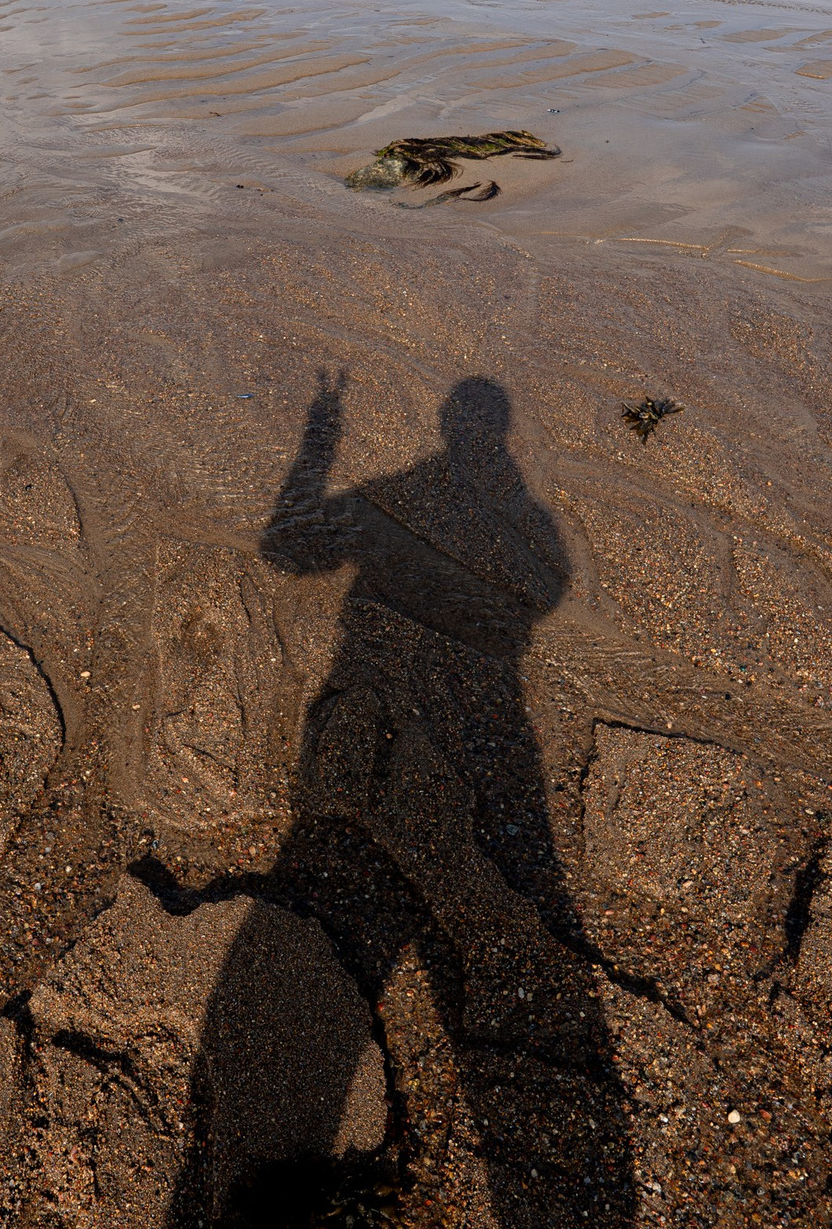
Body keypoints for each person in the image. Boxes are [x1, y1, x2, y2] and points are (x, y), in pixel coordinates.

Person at [172, 373, 635, 1227]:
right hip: (483, 712)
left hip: (393, 697)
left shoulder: (396, 495)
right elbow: (552, 586)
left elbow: (285, 546)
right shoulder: (529, 520)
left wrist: (320, 442)